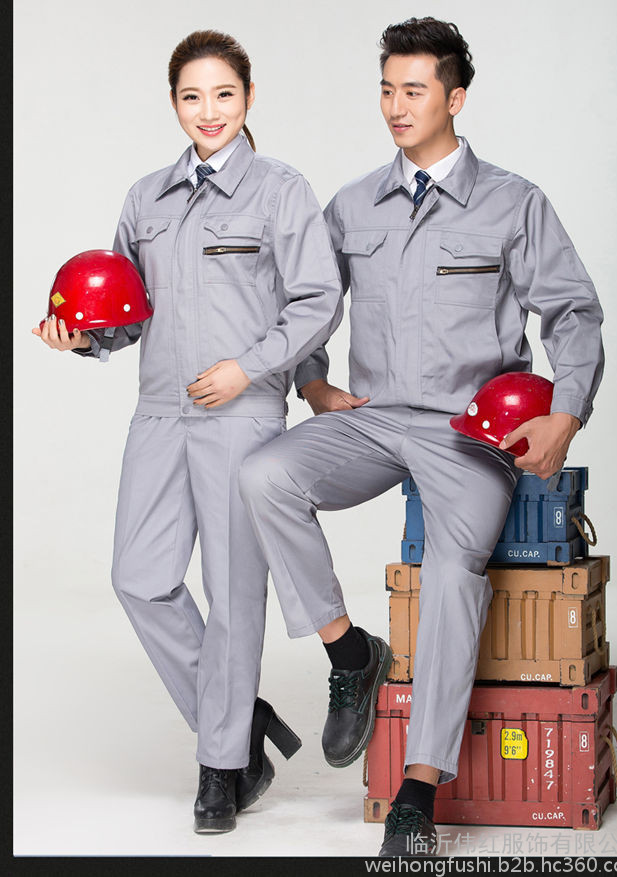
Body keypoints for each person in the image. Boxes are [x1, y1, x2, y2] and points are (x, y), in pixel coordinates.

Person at [239, 15, 604, 856]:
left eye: (414, 90)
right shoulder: (352, 204)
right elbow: (305, 300)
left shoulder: (513, 202)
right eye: (386, 89)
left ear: (455, 98)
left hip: (469, 435)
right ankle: (350, 654)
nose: (396, 106)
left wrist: (567, 411)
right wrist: (312, 380)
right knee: (262, 475)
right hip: (373, 418)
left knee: (449, 573)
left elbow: (574, 311)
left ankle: (417, 789)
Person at [32, 29, 343, 835]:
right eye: (192, 96)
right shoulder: (147, 198)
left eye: (224, 94)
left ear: (249, 97)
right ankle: (236, 717)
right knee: (139, 576)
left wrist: (250, 368)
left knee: (234, 591)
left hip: (241, 414)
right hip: (161, 412)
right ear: (173, 102)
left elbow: (316, 300)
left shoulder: (280, 190)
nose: (209, 111)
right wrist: (82, 337)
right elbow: (125, 311)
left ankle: (221, 766)